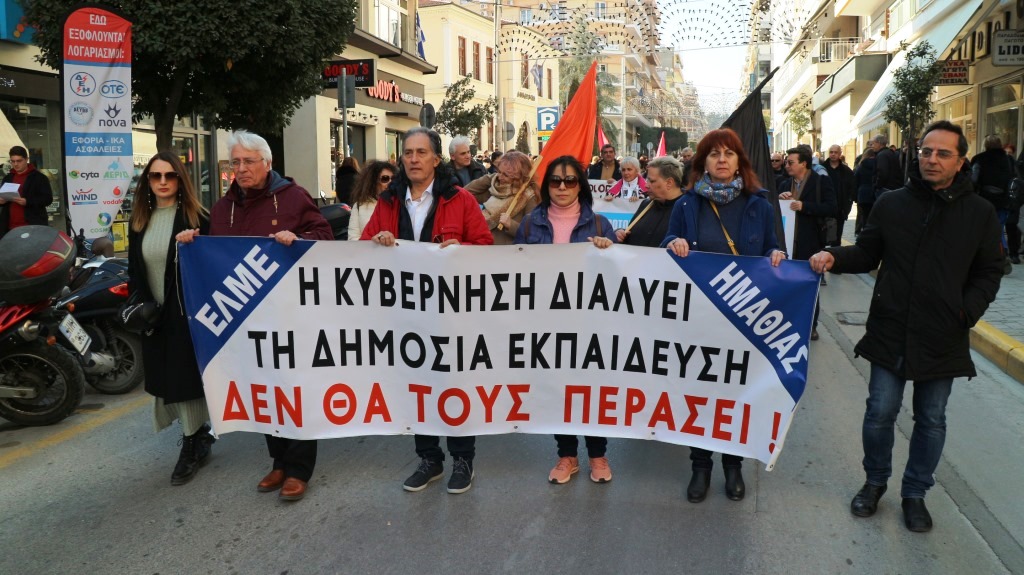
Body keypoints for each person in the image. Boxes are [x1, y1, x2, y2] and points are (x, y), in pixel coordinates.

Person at [809, 121, 1003, 533]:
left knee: (931, 418)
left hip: (942, 333)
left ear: (961, 161)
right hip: (891, 326)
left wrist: (965, 312)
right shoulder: (892, 203)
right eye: (926, 151)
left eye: (943, 153)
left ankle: (915, 493)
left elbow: (990, 270)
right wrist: (833, 256)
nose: (932, 159)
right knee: (880, 412)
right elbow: (867, 253)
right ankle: (875, 482)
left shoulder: (980, 213)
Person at [177, 130, 332, 502]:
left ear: (267, 162)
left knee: (293, 387)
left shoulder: (293, 197)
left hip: (291, 314)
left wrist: (298, 238)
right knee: (262, 387)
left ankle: (298, 469)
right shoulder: (222, 208)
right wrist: (193, 242)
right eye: (236, 162)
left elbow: (325, 236)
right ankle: (278, 461)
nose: (241, 168)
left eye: (249, 161)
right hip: (246, 318)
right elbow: (216, 256)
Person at [360, 127, 492, 494]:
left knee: (454, 383)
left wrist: (460, 249)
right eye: (408, 153)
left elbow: (484, 246)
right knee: (417, 383)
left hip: (452, 311)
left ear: (436, 159)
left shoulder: (460, 200)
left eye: (421, 152)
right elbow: (363, 246)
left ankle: (463, 458)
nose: (414, 159)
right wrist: (377, 241)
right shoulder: (389, 201)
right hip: (405, 313)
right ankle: (429, 458)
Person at [660, 128, 786, 503]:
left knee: (737, 393)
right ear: (703, 163)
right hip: (698, 315)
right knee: (700, 393)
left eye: (728, 153)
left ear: (738, 162)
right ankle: (701, 466)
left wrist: (776, 255)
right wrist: (673, 242)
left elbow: (772, 248)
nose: (721, 159)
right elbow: (667, 242)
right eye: (714, 154)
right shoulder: (686, 205)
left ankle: (733, 465)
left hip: (742, 317)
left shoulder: (759, 206)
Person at [514, 155, 616, 484]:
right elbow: (513, 273)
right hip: (546, 322)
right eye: (556, 181)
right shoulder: (530, 224)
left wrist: (608, 250)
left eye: (570, 180)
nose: (562, 187)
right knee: (558, 391)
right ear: (547, 185)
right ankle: (567, 455)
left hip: (589, 324)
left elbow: (618, 277)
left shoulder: (599, 225)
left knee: (591, 390)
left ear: (580, 186)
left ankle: (598, 455)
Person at [128, 152, 214, 486]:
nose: (162, 182)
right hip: (154, 315)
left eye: (170, 175)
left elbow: (212, 266)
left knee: (184, 380)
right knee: (167, 378)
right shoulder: (140, 220)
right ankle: (200, 434)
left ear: (180, 179)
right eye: (155, 176)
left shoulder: (197, 217)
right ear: (147, 181)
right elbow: (135, 270)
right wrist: (140, 308)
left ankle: (191, 445)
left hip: (186, 315)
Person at [779, 146, 836, 339]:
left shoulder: (820, 182)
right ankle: (788, 323)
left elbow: (831, 207)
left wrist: (805, 206)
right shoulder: (784, 183)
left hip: (811, 242)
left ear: (803, 163)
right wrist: (780, 199)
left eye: (790, 162)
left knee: (810, 285)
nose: (787, 165)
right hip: (787, 243)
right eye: (786, 162)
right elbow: (774, 210)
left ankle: (811, 325)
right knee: (787, 285)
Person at [464, 150, 539, 244]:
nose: (499, 177)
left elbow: (534, 233)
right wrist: (490, 178)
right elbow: (464, 193)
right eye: (499, 172)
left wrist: (511, 225)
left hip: (509, 251)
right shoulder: (494, 189)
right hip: (485, 247)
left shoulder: (529, 196)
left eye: (505, 175)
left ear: (518, 176)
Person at [615, 156, 684, 247]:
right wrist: (620, 234)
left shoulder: (687, 210)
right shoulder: (646, 204)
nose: (646, 185)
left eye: (652, 181)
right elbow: (630, 235)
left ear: (669, 183)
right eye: (647, 180)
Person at [972, 135, 1015, 266]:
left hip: (984, 199)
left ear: (985, 145)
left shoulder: (979, 159)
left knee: (982, 228)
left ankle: (985, 256)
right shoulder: (1008, 159)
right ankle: (1003, 252)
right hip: (1004, 200)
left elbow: (973, 179)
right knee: (999, 228)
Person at [0, 146, 53, 237]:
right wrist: (1, 201)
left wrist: (27, 201)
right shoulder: (8, 178)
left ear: (27, 159)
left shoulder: (39, 178)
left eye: (19, 161)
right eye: (13, 161)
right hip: (9, 228)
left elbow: (47, 199)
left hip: (32, 226)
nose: (15, 164)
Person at [347, 160, 395, 241]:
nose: (390, 183)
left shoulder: (398, 204)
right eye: (385, 178)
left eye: (393, 179)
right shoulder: (359, 206)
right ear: (373, 182)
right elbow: (353, 238)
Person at [824, 144, 856, 247]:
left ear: (840, 154)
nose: (833, 154)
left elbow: (852, 188)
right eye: (831, 152)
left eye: (835, 152)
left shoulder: (846, 171)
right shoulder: (822, 169)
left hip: (840, 209)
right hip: (823, 208)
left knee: (837, 239)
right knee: (821, 237)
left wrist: (847, 207)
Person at [854, 148, 877, 236]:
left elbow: (856, 181)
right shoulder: (877, 164)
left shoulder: (861, 166)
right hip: (874, 193)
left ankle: (864, 234)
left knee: (864, 216)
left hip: (863, 194)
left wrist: (855, 196)